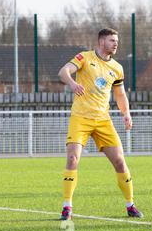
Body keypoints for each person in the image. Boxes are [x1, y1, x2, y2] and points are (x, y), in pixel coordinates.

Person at [57, 28, 142, 220]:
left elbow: (120, 94)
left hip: (103, 120)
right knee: (72, 159)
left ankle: (130, 205)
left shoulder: (117, 68)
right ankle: (67, 206)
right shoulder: (84, 57)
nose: (116, 43)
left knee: (120, 161)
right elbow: (63, 72)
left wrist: (126, 113)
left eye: (117, 40)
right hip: (80, 118)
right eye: (112, 40)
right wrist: (72, 84)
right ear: (101, 41)